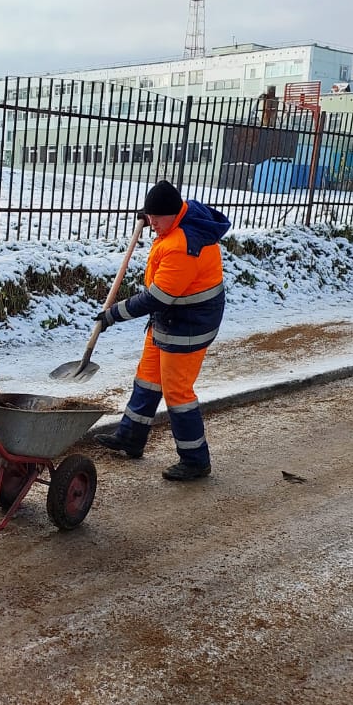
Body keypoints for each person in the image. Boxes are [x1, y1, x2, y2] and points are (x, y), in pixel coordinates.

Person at [94, 180, 230, 481]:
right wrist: (150, 213)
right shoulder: (179, 217)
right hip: (169, 317)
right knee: (148, 377)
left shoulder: (184, 246)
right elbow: (166, 211)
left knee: (177, 391)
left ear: (172, 214)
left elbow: (157, 297)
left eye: (155, 217)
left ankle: (195, 460)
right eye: (148, 216)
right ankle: (131, 437)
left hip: (189, 324)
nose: (150, 223)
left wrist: (113, 315)